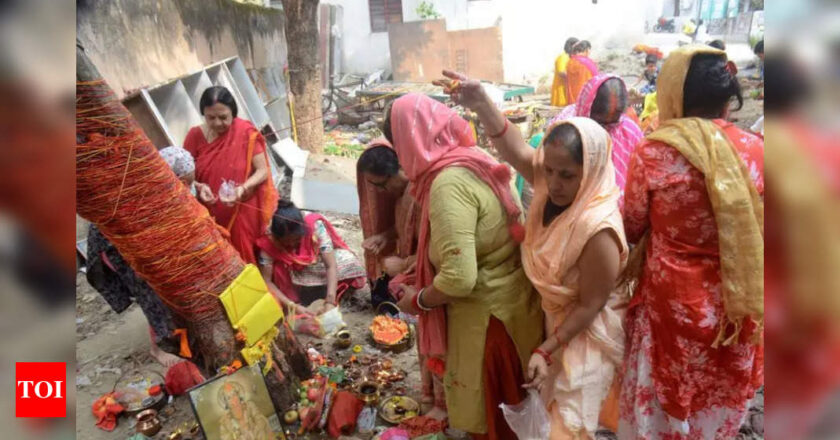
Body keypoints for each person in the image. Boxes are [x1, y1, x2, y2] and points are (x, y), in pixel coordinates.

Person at [441, 69, 630, 438]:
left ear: (589, 171)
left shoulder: (599, 229)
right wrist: (481, 102)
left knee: (570, 423)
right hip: (557, 324)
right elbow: (514, 148)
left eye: (567, 175)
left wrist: (546, 349)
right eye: (549, 170)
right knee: (550, 410)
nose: (554, 183)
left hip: (586, 336)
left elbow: (591, 305)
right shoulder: (549, 185)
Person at [618, 45, 764, 439]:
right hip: (738, 301)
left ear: (672, 93)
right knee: (720, 390)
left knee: (669, 390)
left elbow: (631, 226)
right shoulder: (757, 150)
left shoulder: (655, 151)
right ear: (726, 96)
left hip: (672, 305)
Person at [388, 92, 544, 438]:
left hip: (486, 324)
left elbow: (460, 278)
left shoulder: (447, 183)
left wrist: (418, 299)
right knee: (516, 418)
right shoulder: (473, 157)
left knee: (495, 423)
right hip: (515, 307)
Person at [85, 146, 196, 367]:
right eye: (182, 182)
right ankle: (159, 348)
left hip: (135, 239)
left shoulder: (166, 187)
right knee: (148, 291)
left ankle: (175, 333)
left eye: (190, 181)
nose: (186, 187)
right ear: (167, 177)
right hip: (115, 245)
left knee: (161, 288)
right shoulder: (139, 195)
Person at [183, 86, 278, 264]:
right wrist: (199, 186)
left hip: (241, 208)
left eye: (223, 117)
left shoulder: (245, 132)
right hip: (208, 213)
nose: (218, 123)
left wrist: (243, 188)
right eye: (211, 117)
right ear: (203, 114)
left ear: (233, 113)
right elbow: (182, 175)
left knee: (245, 258)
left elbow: (263, 170)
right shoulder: (194, 136)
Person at [256, 201, 369, 315]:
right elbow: (267, 281)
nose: (291, 245)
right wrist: (292, 306)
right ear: (277, 237)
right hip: (289, 272)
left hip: (313, 263)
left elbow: (330, 265)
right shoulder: (269, 240)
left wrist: (330, 301)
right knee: (277, 270)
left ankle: (324, 292)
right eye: (286, 243)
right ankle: (300, 294)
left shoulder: (314, 226)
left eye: (296, 240)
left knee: (350, 262)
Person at [554, 74, 644, 196]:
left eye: (612, 122)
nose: (606, 130)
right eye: (600, 122)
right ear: (587, 108)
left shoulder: (630, 131)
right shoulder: (567, 128)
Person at [356, 139, 419, 301]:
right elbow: (405, 227)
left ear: (399, 169)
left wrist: (405, 264)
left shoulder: (420, 196)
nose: (381, 192)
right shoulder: (401, 196)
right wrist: (385, 236)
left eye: (381, 185)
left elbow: (442, 253)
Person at [551, 37, 579, 107]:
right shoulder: (563, 57)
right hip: (561, 88)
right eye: (577, 46)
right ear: (571, 46)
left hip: (567, 88)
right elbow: (561, 72)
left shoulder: (570, 57)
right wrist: (575, 78)